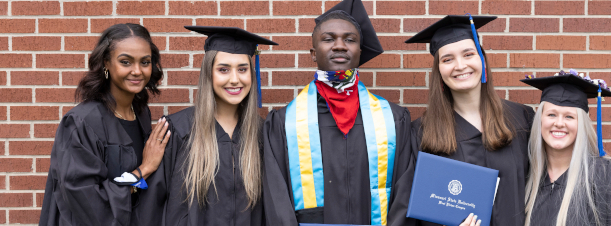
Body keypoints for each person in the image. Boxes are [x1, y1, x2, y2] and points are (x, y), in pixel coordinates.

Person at [390, 15, 611, 226]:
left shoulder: (521, 118)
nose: (460, 65)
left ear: (482, 60)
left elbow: (559, 162)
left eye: (468, 54)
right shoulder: (421, 134)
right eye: (447, 59)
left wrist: (609, 174)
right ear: (439, 71)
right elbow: (407, 212)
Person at [262, 0, 414, 225]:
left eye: (350, 40)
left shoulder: (392, 120)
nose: (340, 45)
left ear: (359, 52)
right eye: (329, 39)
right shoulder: (284, 123)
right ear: (313, 53)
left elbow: (404, 195)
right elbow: (277, 201)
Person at [143, 26, 276, 226]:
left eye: (242, 69)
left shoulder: (262, 134)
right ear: (209, 74)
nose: (234, 79)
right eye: (223, 69)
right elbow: (152, 208)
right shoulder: (178, 131)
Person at [39, 23, 169, 226]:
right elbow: (90, 204)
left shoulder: (141, 113)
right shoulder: (82, 123)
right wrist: (144, 170)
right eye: (125, 62)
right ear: (106, 63)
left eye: (145, 62)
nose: (137, 71)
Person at [521, 71, 611, 226]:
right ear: (540, 119)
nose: (559, 123)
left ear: (581, 123)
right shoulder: (525, 174)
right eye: (551, 115)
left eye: (569, 116)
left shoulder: (603, 174)